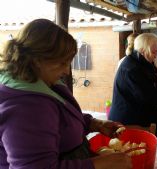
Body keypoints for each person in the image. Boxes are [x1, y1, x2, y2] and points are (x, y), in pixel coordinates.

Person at [0, 19, 131, 169]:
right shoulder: (24, 108)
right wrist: (101, 164)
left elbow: (58, 121)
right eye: (62, 63)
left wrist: (94, 124)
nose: (67, 71)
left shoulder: (42, 81)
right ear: (37, 60)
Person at [109, 33, 157, 139]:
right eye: (153, 52)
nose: (156, 55)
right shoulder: (131, 67)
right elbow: (146, 97)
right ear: (142, 50)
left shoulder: (145, 62)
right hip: (131, 121)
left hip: (143, 118)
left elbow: (152, 87)